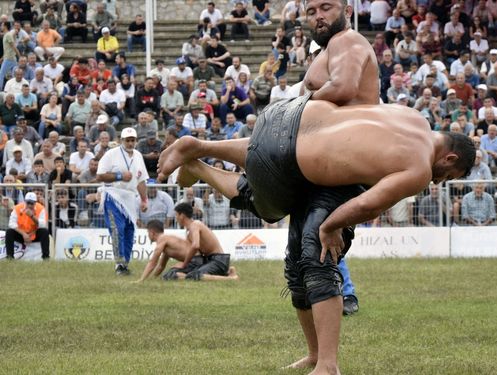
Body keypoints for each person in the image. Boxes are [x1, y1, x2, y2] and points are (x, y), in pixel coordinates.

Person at [158, 98, 474, 373]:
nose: (438, 182)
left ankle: (315, 355)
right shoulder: (419, 166)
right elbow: (368, 204)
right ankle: (327, 364)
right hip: (310, 169)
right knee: (314, 252)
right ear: (450, 158)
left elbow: (347, 107)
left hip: (287, 124)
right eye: (446, 176)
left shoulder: (411, 116)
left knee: (296, 264)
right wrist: (330, 226)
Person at [96, 128, 149, 276]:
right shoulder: (111, 154)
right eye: (128, 140)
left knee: (129, 231)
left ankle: (125, 264)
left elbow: (141, 180)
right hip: (114, 195)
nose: (130, 143)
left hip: (130, 198)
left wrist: (144, 199)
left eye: (133, 140)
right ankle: (119, 264)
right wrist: (119, 176)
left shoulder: (138, 156)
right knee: (117, 228)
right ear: (121, 140)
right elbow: (99, 176)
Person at [137, 217, 238, 282]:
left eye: (147, 232)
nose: (148, 235)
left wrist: (141, 280)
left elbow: (152, 262)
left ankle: (229, 278)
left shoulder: (162, 240)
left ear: (152, 232)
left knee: (172, 275)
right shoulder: (166, 241)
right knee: (168, 275)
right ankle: (228, 272)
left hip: (195, 260)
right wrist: (152, 279)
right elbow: (161, 266)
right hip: (196, 259)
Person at [5, 192, 49, 259]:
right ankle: (10, 257)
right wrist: (23, 234)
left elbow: (42, 224)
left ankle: (46, 257)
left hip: (34, 234)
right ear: (24, 202)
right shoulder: (17, 208)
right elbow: (11, 224)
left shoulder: (41, 208)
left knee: (45, 232)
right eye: (28, 203)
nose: (29, 205)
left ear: (35, 203)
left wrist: (32, 216)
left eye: (32, 203)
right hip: (21, 234)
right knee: (9, 232)